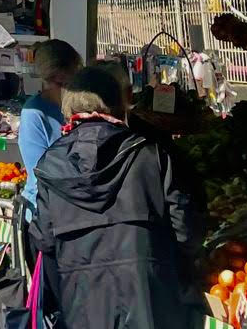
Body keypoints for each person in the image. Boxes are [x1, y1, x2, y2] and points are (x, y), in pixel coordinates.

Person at [31, 66, 204, 328]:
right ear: (118, 105)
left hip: (83, 306)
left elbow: (43, 241)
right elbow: (186, 232)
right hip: (151, 300)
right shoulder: (152, 155)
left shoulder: (50, 165)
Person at [20, 39, 82, 216]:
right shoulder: (34, 112)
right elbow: (40, 173)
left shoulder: (81, 106)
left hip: (75, 207)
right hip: (44, 211)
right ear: (58, 77)